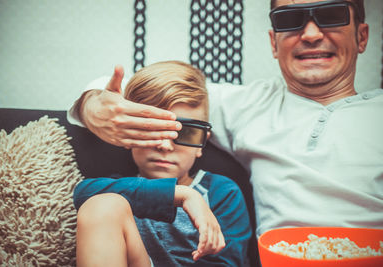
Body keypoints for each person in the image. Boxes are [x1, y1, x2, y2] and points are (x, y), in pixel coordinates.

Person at [69, 0, 383, 239]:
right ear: (274, 43)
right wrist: (94, 106)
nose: (311, 34)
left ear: (362, 36)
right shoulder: (248, 105)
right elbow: (132, 89)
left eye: (331, 16)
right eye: (290, 20)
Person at [73, 61, 252, 266]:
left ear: (201, 144)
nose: (165, 145)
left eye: (184, 133)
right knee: (103, 204)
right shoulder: (118, 190)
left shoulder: (222, 192)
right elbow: (82, 193)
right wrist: (182, 195)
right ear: (127, 135)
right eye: (151, 130)